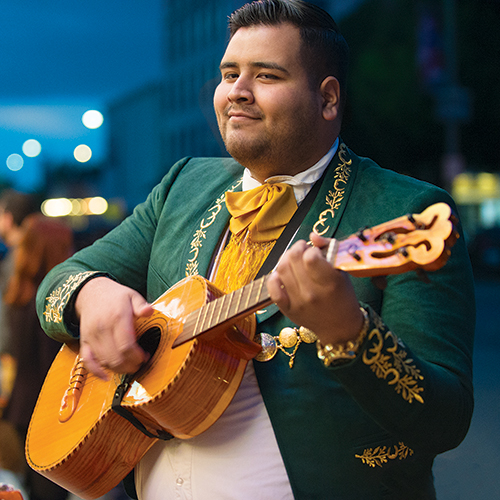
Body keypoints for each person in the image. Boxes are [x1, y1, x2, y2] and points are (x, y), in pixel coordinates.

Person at [35, 1, 475, 499]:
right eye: (229, 74)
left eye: (266, 75)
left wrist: (350, 335)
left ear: (328, 98)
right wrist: (92, 294)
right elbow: (62, 281)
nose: (236, 93)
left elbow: (446, 418)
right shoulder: (183, 184)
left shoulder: (406, 209)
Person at [0, 190, 73, 500]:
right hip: (46, 409)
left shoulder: (18, 294)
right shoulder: (54, 305)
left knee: (30, 485)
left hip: (19, 405)